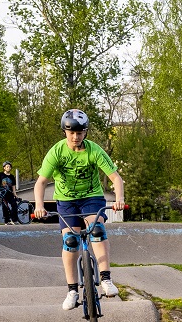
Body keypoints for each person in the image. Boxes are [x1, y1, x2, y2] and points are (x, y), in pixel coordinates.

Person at [32, 109, 126, 311]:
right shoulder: (57, 152)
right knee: (70, 242)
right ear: (65, 132)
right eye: (71, 133)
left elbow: (115, 178)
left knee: (97, 230)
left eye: (80, 133)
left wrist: (119, 199)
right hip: (66, 201)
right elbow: (40, 183)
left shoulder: (94, 150)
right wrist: (39, 205)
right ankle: (72, 291)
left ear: (85, 133)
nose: (76, 137)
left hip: (91, 198)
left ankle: (106, 279)